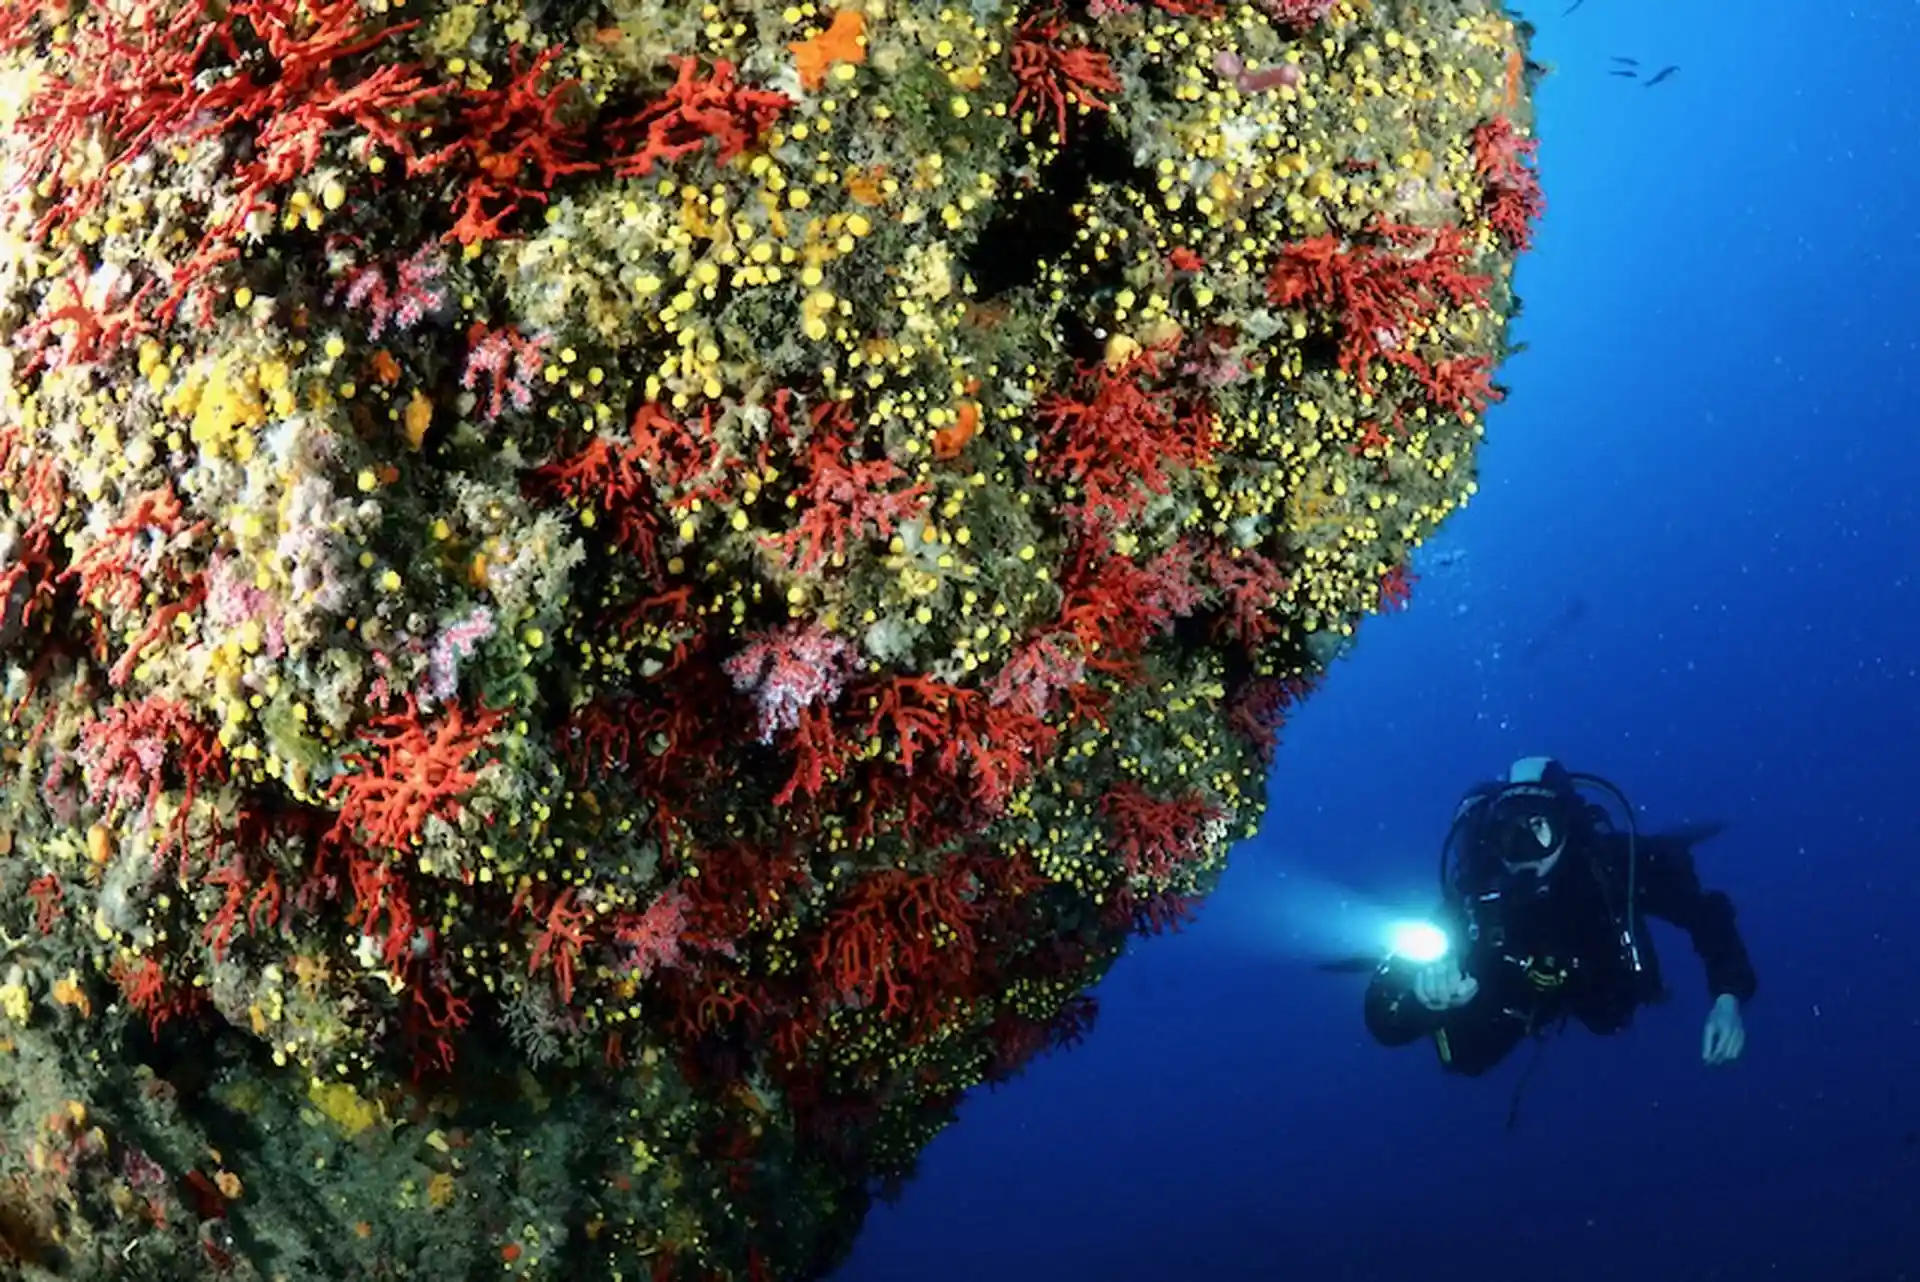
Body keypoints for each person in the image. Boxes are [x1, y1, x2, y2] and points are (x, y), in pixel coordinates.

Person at [1365, 756, 1756, 1083]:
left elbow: (1707, 915)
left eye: (1537, 828)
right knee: (1465, 1059)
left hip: (1599, 986)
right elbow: (1383, 1018)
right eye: (1508, 833)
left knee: (1610, 1014)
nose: (1522, 851)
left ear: (1567, 827)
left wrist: (1728, 997)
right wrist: (1423, 999)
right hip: (1517, 997)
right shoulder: (1474, 899)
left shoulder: (1613, 866)